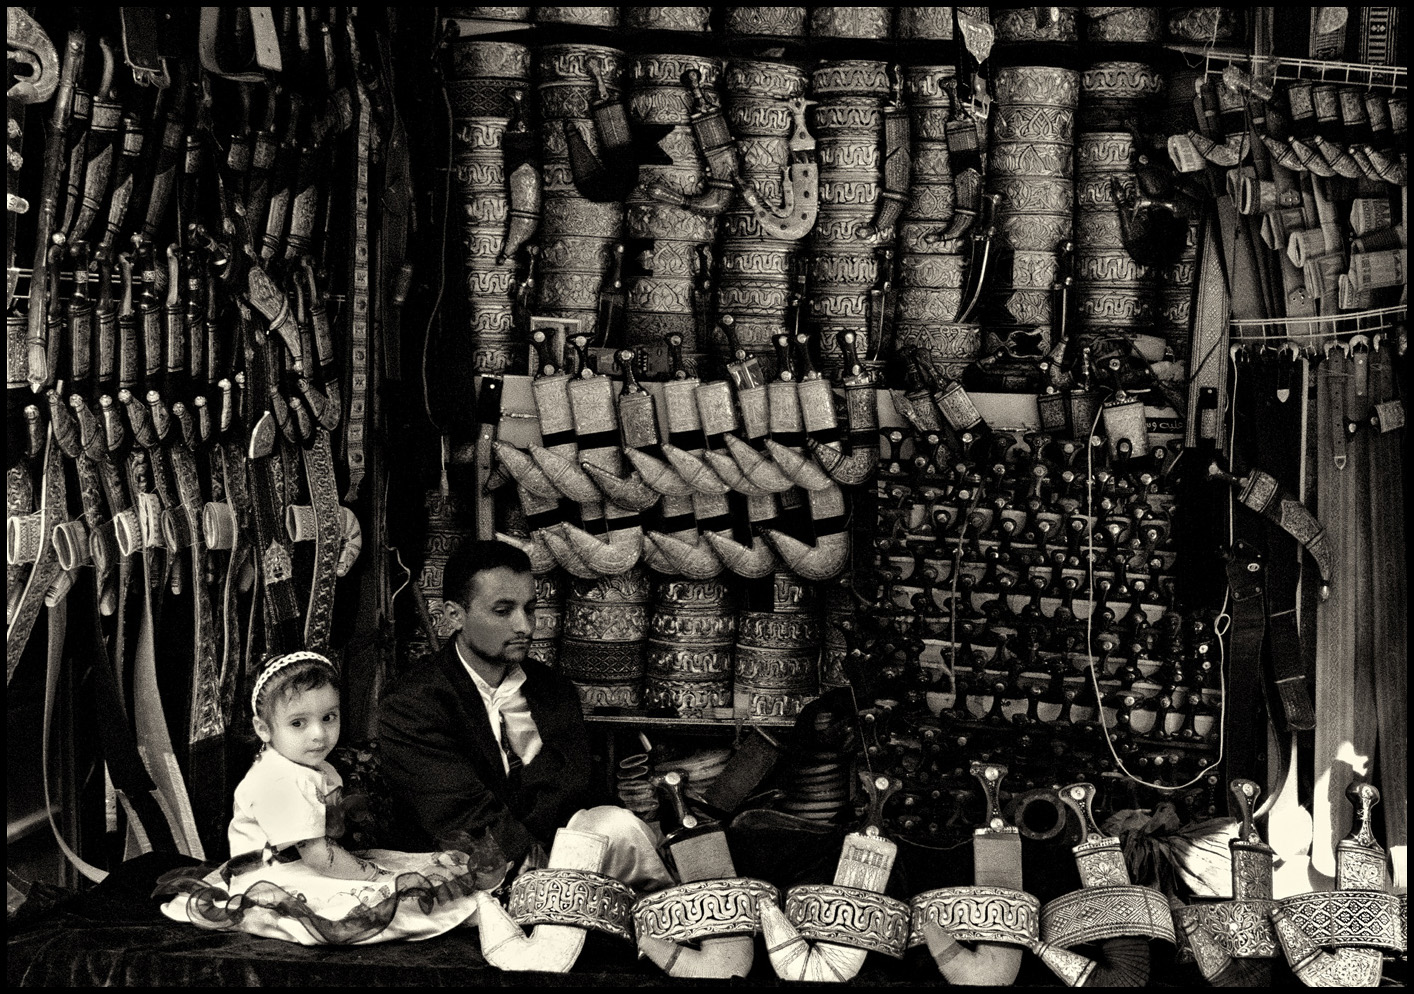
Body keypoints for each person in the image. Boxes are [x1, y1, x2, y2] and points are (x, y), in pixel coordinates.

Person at [379, 539, 672, 891]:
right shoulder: (413, 703)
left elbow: (578, 791)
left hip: (558, 852)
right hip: (462, 866)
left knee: (619, 827)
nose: (525, 626)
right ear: (455, 615)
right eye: (503, 611)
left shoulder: (552, 690)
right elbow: (457, 816)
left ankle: (669, 922)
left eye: (529, 609)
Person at [157, 651, 494, 944]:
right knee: (368, 899)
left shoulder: (310, 767)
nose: (319, 734)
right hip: (274, 876)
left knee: (418, 873)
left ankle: (460, 909)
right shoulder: (277, 780)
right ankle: (449, 913)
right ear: (264, 730)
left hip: (309, 859)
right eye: (298, 723)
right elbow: (317, 854)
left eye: (328, 718)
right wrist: (373, 874)